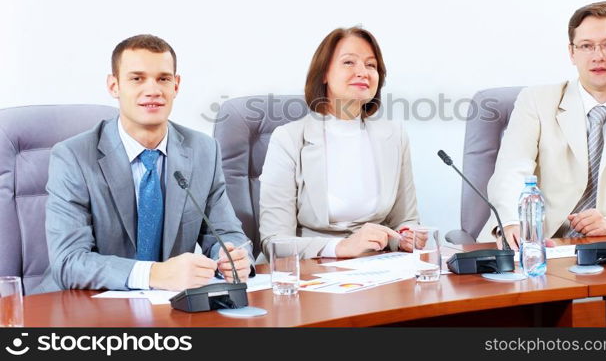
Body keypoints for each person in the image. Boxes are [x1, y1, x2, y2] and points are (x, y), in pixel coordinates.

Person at [34, 35, 252, 294]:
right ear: (114, 86)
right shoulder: (74, 156)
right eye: (137, 78)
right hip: (89, 306)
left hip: (170, 309)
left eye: (163, 78)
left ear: (176, 85)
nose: (153, 90)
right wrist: (154, 274)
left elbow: (227, 233)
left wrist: (232, 256)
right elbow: (69, 262)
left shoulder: (204, 150)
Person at [479, 1, 606, 250]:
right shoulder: (536, 101)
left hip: (605, 250)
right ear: (572, 52)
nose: (598, 55)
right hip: (534, 244)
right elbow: (511, 171)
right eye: (586, 46)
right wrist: (514, 223)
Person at [259, 27, 420, 260]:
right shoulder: (289, 138)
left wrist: (406, 236)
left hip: (378, 267)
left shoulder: (394, 136)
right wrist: (341, 247)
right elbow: (274, 242)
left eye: (371, 65)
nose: (362, 72)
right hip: (309, 270)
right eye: (348, 62)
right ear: (324, 73)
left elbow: (405, 220)